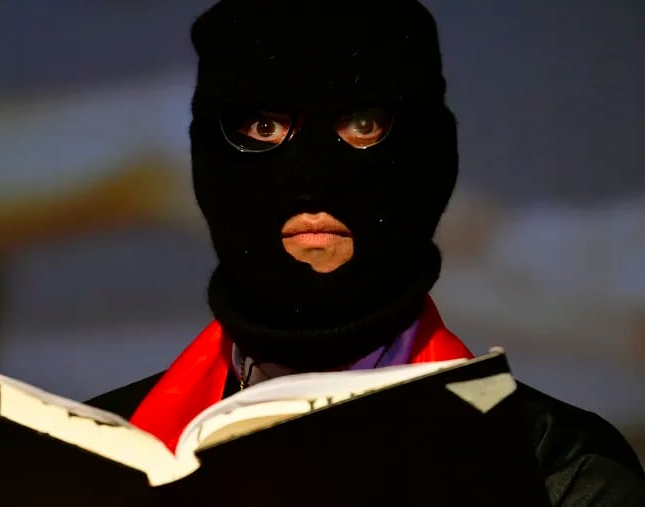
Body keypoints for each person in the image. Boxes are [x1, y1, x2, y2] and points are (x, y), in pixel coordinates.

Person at [88, 0, 645, 504]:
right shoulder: (91, 461)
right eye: (263, 126)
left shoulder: (558, 472)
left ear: (434, 160)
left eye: (363, 124)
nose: (312, 181)